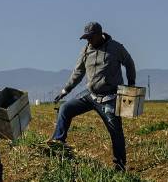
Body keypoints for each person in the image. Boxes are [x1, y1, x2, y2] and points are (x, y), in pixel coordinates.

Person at [49, 21, 137, 170]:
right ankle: (58, 141)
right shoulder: (86, 51)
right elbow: (77, 73)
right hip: (91, 95)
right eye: (86, 38)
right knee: (65, 109)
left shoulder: (115, 48)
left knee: (115, 130)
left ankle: (120, 165)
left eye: (90, 37)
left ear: (99, 35)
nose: (88, 41)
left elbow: (129, 63)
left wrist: (131, 84)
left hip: (110, 97)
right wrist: (65, 91)